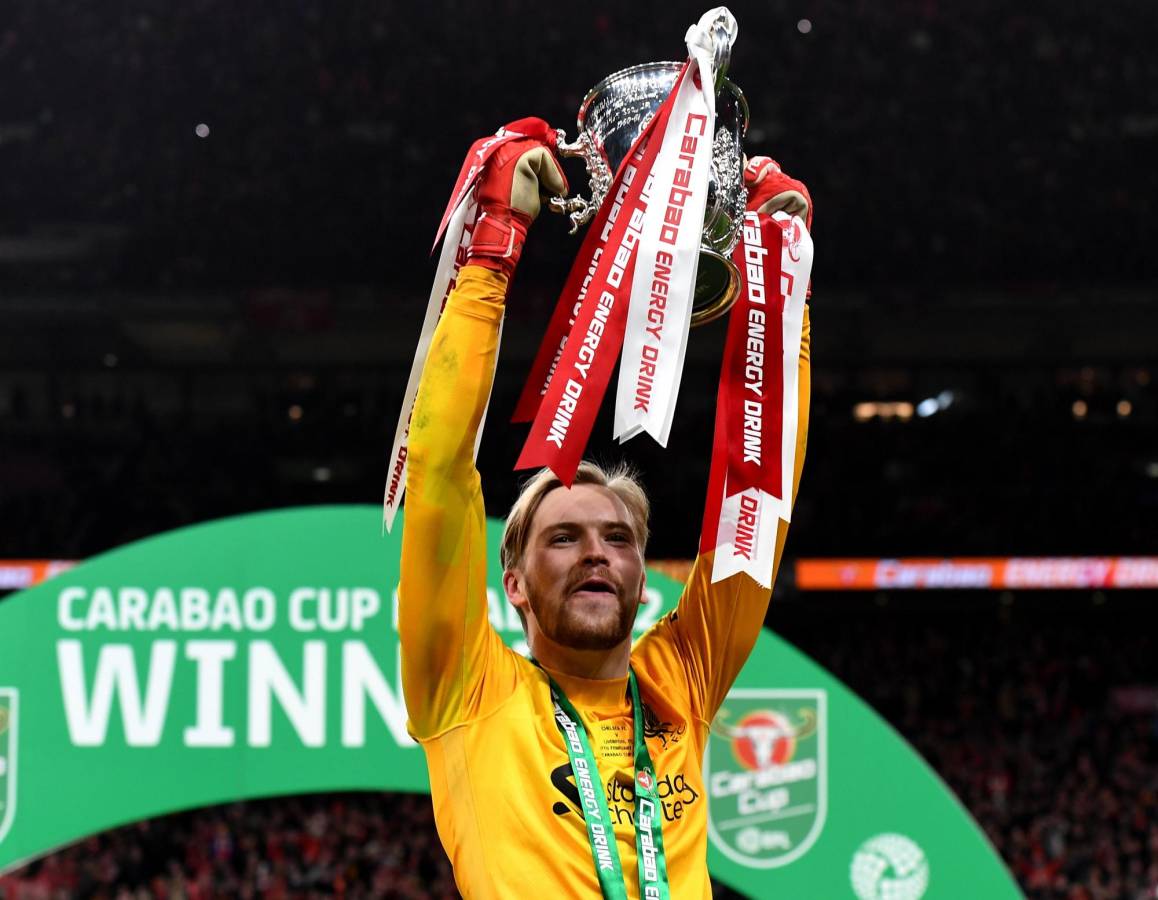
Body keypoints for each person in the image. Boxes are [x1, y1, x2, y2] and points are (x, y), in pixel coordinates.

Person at [398, 123, 812, 898]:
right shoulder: (468, 688)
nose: (597, 552)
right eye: (563, 538)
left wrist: (782, 295)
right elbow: (439, 474)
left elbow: (758, 502)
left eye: (618, 538)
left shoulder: (680, 682)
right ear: (514, 584)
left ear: (641, 574)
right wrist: (493, 248)